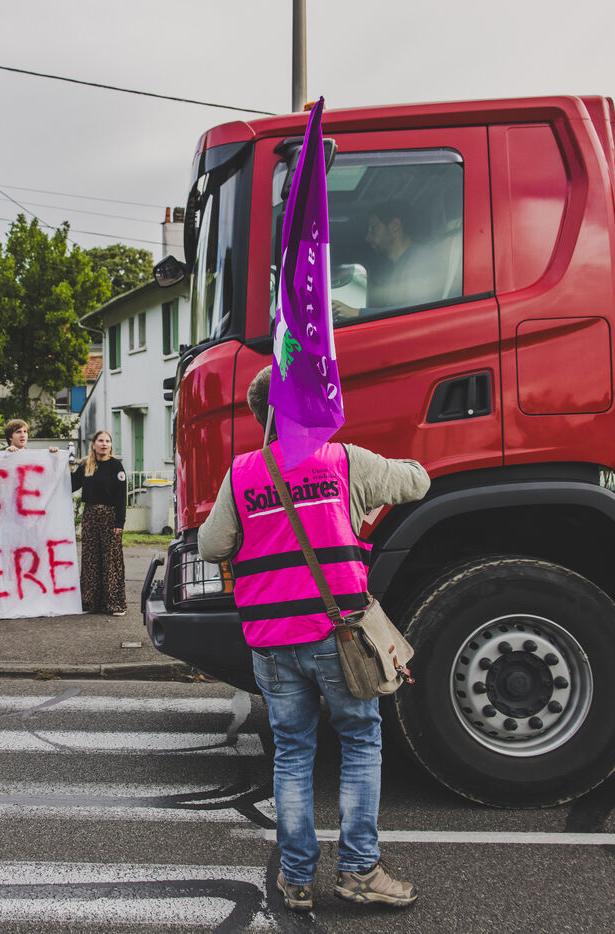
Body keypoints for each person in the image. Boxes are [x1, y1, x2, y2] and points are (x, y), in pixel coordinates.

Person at [198, 366, 429, 912]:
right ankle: (360, 870)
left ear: (262, 416)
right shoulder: (344, 460)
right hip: (338, 636)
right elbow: (417, 482)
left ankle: (297, 879)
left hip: (272, 640)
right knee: (360, 742)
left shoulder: (241, 473)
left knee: (293, 753)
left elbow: (211, 546)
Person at [331, 200, 443, 321]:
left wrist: (357, 313)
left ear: (395, 226)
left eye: (373, 228)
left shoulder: (421, 258)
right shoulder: (401, 264)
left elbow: (418, 311)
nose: (368, 237)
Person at [71, 430, 127, 616]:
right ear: (93, 444)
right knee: (90, 559)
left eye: (107, 441)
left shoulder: (116, 466)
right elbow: (70, 484)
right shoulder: (86, 465)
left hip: (110, 516)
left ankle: (115, 603)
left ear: (111, 445)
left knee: (111, 560)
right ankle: (90, 602)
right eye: (101, 441)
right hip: (90, 516)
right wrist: (57, 461)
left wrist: (120, 523)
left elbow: (121, 497)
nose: (104, 444)